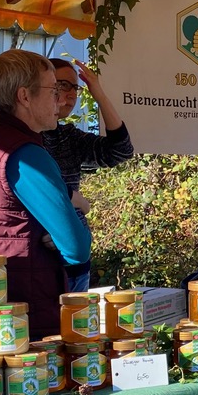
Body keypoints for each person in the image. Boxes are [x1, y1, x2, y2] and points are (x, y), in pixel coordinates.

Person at [0, 50, 91, 339]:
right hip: (26, 314)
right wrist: (76, 214)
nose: (60, 99)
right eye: (53, 89)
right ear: (25, 96)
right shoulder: (26, 154)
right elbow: (77, 247)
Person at [42, 57, 134, 289]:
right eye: (63, 85)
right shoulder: (24, 138)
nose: (71, 94)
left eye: (75, 87)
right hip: (40, 259)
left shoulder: (68, 136)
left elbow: (121, 151)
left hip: (77, 260)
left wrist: (99, 94)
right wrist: (76, 200)